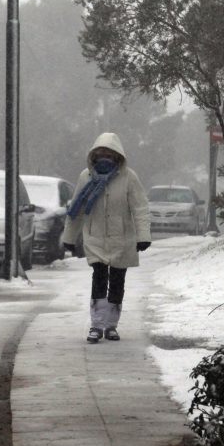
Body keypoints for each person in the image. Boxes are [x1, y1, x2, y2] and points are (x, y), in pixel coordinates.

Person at [62, 132, 151, 343]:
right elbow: (77, 208)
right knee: (99, 277)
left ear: (117, 156)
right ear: (94, 154)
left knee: (118, 280)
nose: (105, 157)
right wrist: (69, 237)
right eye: (101, 152)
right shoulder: (86, 177)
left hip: (123, 238)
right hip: (95, 237)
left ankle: (111, 325)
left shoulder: (129, 177)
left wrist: (143, 236)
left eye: (109, 153)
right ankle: (97, 324)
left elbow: (140, 208)